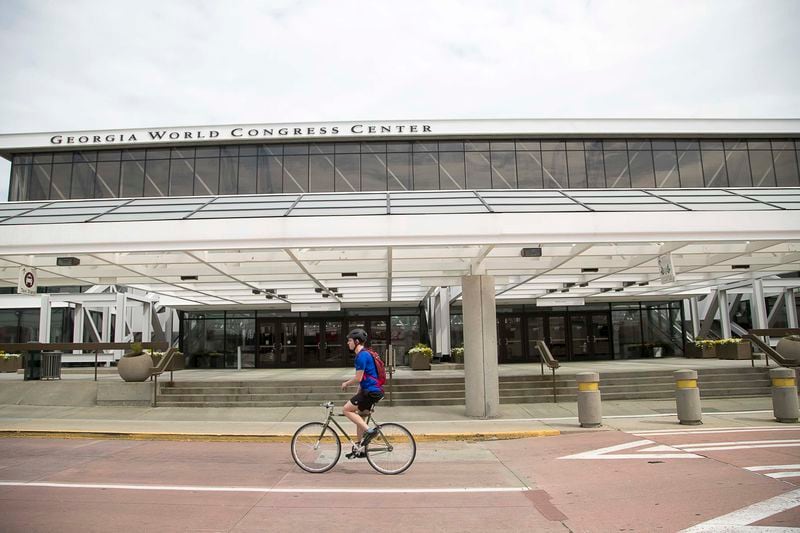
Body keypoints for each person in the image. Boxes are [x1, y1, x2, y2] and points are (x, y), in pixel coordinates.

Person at [341, 328, 384, 458]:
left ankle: (369, 431)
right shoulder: (366, 353)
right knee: (361, 416)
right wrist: (358, 392)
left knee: (346, 410)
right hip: (372, 391)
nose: (348, 343)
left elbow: (358, 378)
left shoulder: (361, 356)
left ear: (357, 341)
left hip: (371, 392)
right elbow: (365, 378)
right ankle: (359, 448)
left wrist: (346, 383)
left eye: (349, 341)